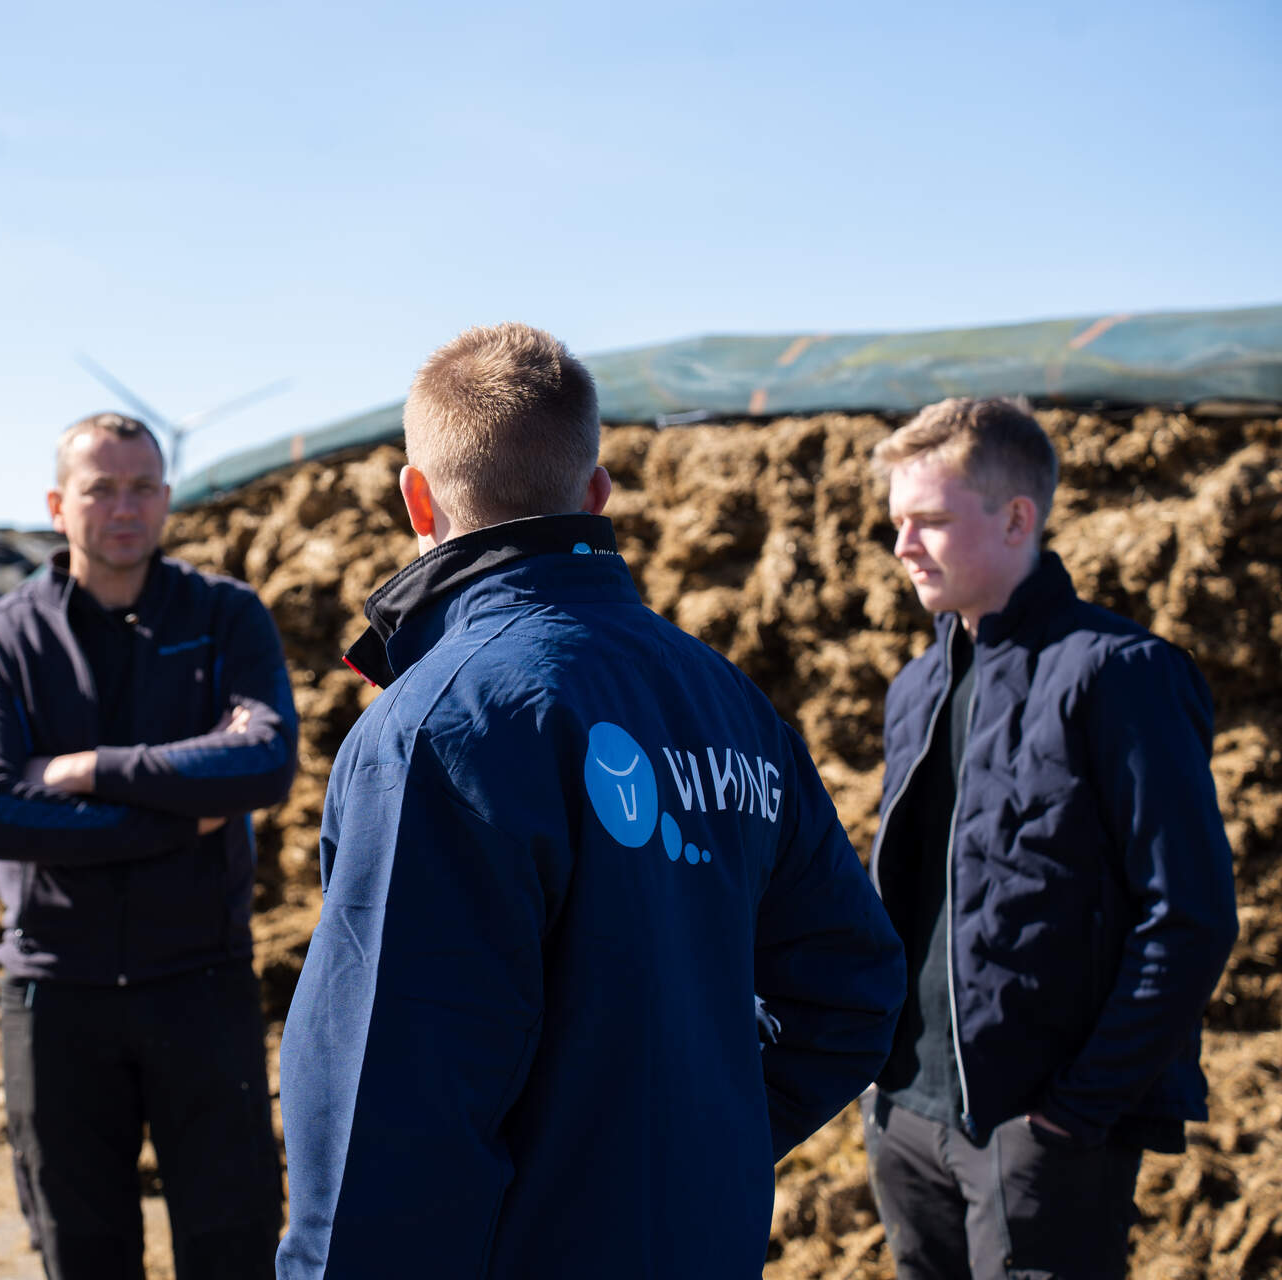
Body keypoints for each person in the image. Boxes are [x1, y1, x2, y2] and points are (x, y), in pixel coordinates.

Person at [275, 323, 905, 1279]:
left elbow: (382, 1103)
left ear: (416, 498)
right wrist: (693, 1145)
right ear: (597, 491)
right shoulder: (728, 700)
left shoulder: (437, 728)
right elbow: (854, 988)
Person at [863, 397, 1240, 1280]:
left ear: (1017, 517)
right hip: (908, 1123)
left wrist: (1076, 1112)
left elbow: (1187, 916)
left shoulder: (1120, 675)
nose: (902, 547)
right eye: (896, 523)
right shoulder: (914, 687)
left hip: (1040, 1137)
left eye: (929, 522)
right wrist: (882, 1094)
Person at [0, 412, 298, 1280]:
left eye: (143, 487)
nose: (123, 507)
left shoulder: (224, 617)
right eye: (100, 488)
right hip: (55, 994)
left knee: (233, 1246)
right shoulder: (1, 639)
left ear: (167, 500)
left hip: (201, 982)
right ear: (57, 504)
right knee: (83, 1253)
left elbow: (263, 761)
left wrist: (90, 770)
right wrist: (177, 818)